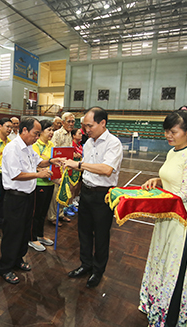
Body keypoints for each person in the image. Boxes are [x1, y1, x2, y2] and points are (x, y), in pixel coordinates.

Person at [139, 110, 187, 327]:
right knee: (161, 261)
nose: (168, 135)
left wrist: (147, 202)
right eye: (166, 130)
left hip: (183, 218)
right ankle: (155, 307)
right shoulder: (173, 151)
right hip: (167, 214)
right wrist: (157, 180)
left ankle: (170, 318)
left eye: (173, 131)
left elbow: (184, 193)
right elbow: (171, 178)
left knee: (175, 268)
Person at [62, 107, 123, 288]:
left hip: (103, 195)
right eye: (84, 126)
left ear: (102, 123)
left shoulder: (113, 143)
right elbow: (86, 170)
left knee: (101, 235)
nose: (86, 130)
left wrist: (78, 164)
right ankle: (85, 265)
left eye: (89, 126)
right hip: (87, 193)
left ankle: (98, 270)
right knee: (84, 232)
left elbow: (106, 169)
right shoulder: (88, 143)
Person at [0, 118, 62, 284]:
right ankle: (5, 267)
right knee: (12, 232)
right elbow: (15, 174)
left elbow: (38, 161)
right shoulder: (12, 148)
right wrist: (38, 174)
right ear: (24, 130)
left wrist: (50, 161)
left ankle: (18, 259)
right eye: (35, 134)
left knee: (25, 230)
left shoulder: (28, 148)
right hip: (15, 197)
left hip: (28, 195)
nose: (36, 137)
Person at [28, 120, 55, 252]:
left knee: (43, 212)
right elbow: (35, 164)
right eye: (49, 129)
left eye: (52, 130)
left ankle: (40, 235)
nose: (51, 132)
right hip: (38, 183)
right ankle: (32, 238)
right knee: (36, 212)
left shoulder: (52, 145)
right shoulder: (35, 145)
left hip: (50, 182)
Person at [48, 112, 78, 225]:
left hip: (66, 167)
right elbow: (54, 151)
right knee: (56, 192)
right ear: (63, 122)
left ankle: (60, 214)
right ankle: (52, 217)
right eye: (69, 121)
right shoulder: (57, 134)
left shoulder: (70, 134)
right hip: (57, 167)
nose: (71, 124)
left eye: (73, 122)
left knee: (64, 190)